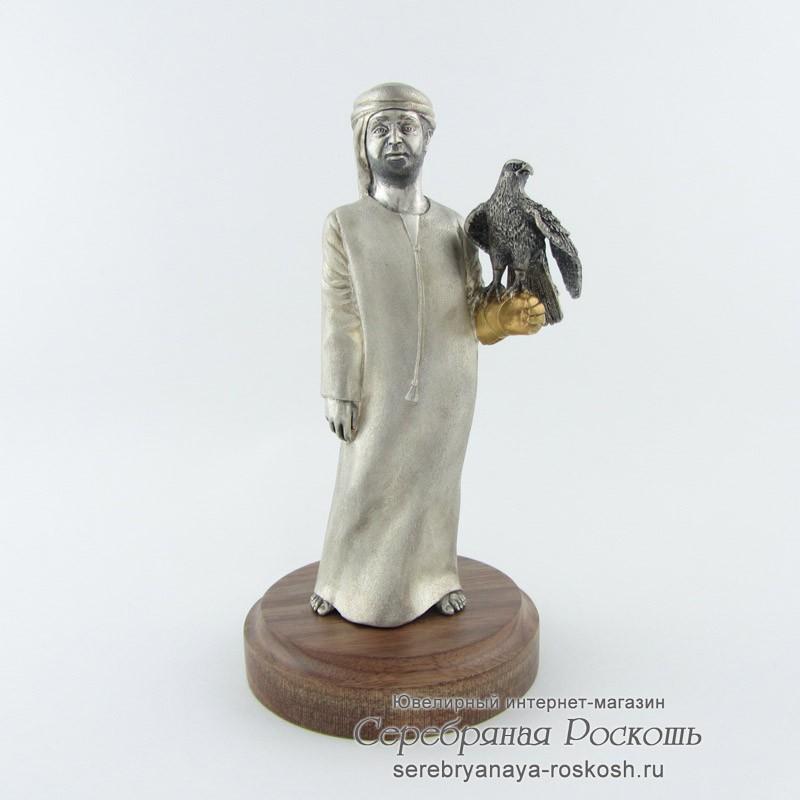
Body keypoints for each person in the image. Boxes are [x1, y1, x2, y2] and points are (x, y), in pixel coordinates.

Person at [309, 83, 544, 627]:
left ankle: (435, 577)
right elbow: (340, 312)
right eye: (381, 129)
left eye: (407, 127)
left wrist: (504, 319)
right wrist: (339, 388)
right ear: (362, 144)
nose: (396, 139)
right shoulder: (345, 224)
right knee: (364, 478)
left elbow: (473, 310)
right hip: (378, 384)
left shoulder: (455, 226)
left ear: (428, 138)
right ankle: (341, 580)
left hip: (450, 385)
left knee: (437, 485)